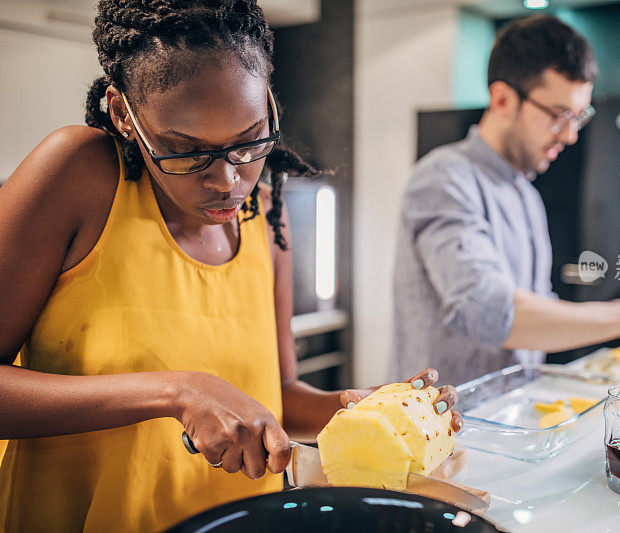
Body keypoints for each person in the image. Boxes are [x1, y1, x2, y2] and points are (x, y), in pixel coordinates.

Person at [0, 1, 460, 531]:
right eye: (184, 150)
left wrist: (363, 409)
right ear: (123, 113)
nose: (226, 180)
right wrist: (175, 392)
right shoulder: (78, 174)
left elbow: (277, 396)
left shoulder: (263, 216)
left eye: (249, 142)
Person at [392, 16, 620, 386]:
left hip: (510, 421)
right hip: (440, 430)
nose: (570, 135)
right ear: (502, 98)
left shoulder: (527, 195)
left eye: (579, 117)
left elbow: (539, 311)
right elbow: (488, 312)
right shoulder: (445, 178)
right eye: (558, 116)